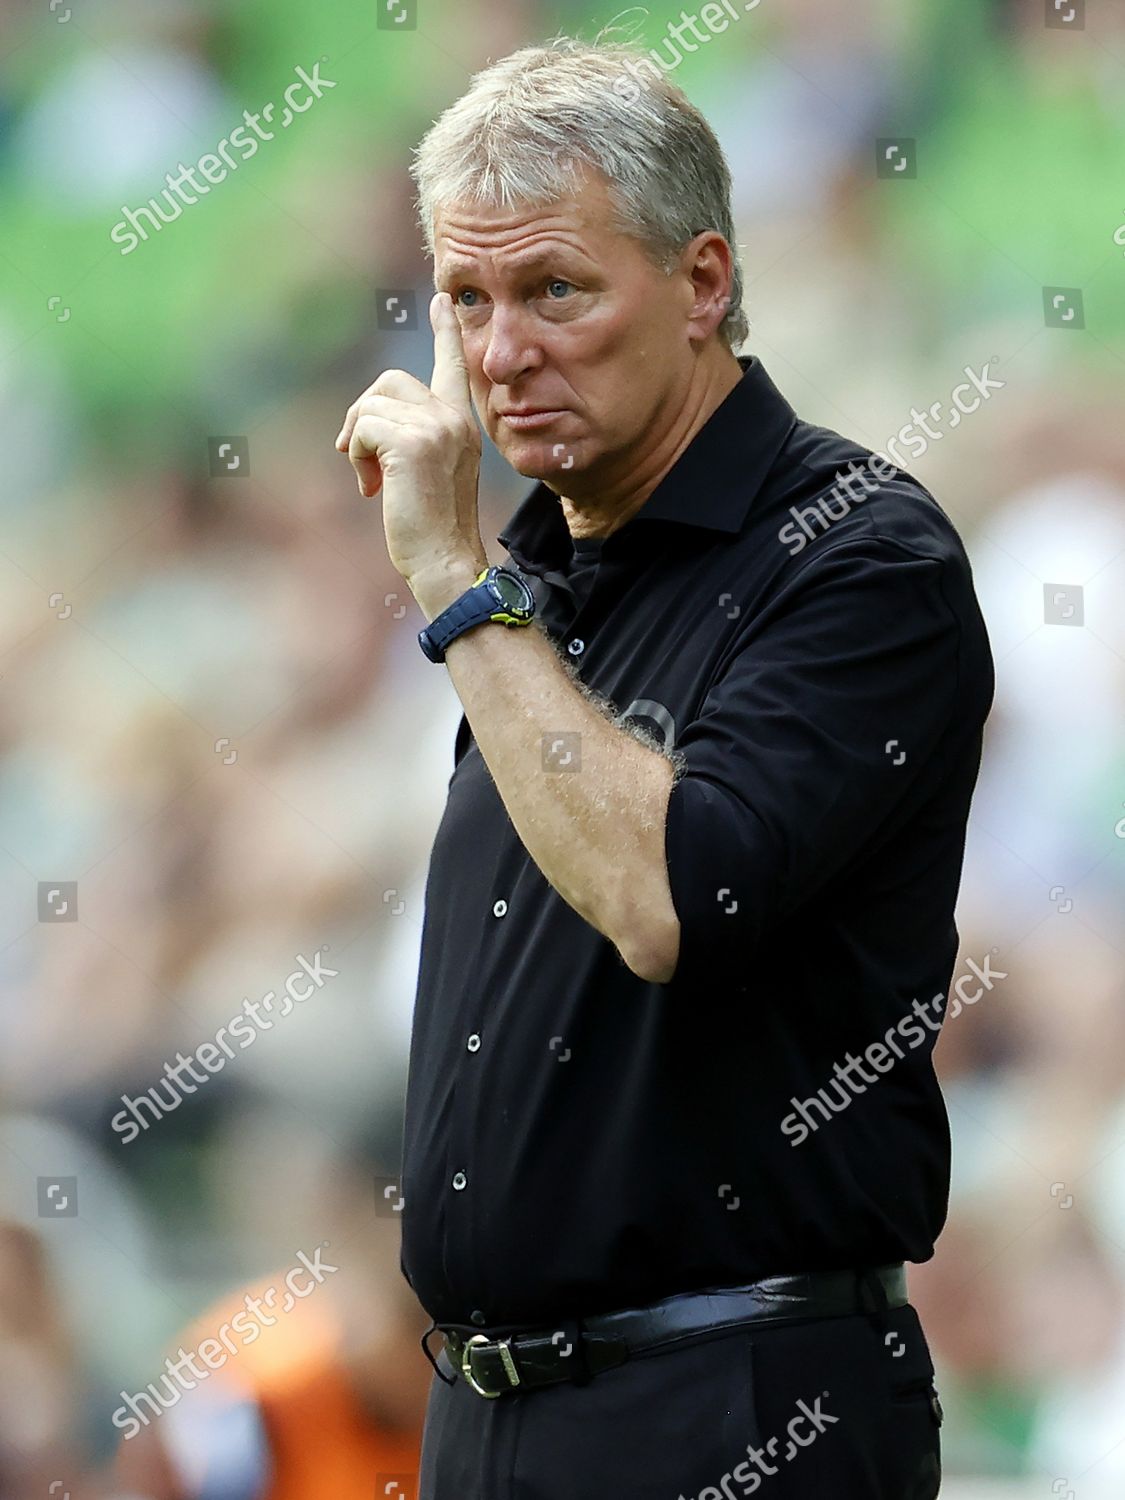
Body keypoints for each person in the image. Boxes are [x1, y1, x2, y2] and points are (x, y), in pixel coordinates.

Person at [333, 34, 994, 1500]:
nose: (502, 354)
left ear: (702, 283)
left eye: (555, 289)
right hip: (493, 1418)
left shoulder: (859, 555)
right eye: (465, 299)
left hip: (736, 1412)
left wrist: (453, 578)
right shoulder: (541, 583)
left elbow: (666, 897)